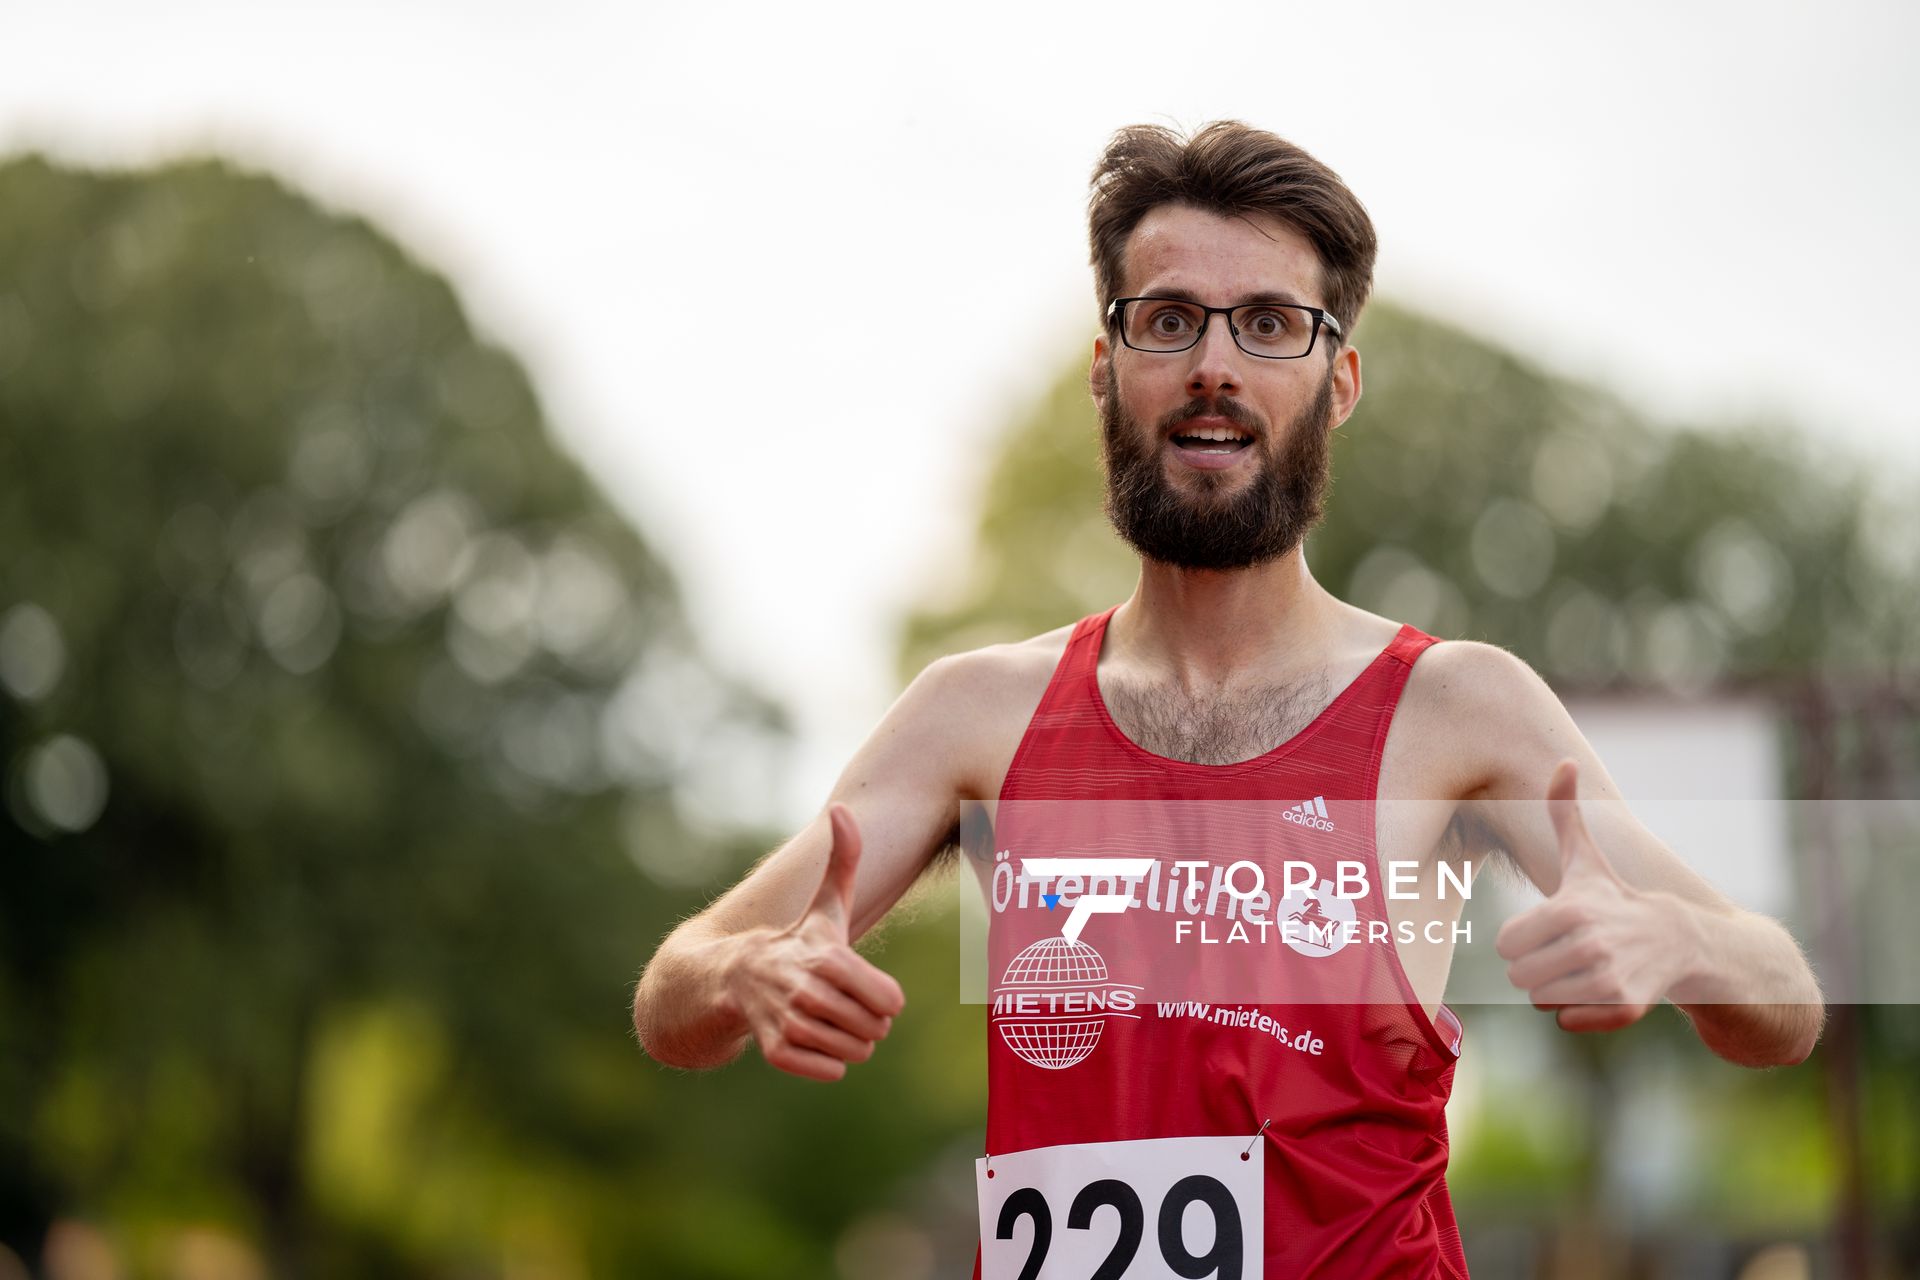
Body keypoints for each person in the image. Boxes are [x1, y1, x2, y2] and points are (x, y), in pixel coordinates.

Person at [633, 120, 1825, 1277]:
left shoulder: (1459, 707)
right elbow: (673, 990)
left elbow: (1788, 1002)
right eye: (1168, 320)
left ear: (1338, 378)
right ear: (1108, 369)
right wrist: (744, 974)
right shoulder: (974, 715)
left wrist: (1683, 938)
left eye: (1268, 324)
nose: (1214, 364)